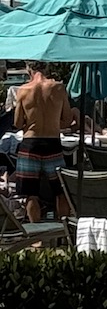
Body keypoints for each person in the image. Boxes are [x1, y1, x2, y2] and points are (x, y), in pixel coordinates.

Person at [11, 61, 71, 223]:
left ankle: (36, 238)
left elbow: (17, 123)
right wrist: (53, 125)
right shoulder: (59, 88)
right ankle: (63, 232)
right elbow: (67, 119)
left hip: (30, 144)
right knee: (60, 190)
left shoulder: (23, 90)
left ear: (28, 69)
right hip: (53, 143)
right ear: (47, 67)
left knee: (31, 193)